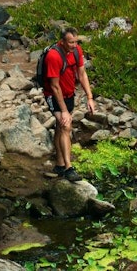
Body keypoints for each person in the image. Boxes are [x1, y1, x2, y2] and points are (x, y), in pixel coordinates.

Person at [45, 26, 95, 182]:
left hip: (68, 93)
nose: (74, 45)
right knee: (66, 125)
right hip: (53, 95)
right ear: (62, 41)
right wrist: (64, 111)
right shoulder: (53, 56)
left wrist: (89, 97)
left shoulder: (76, 51)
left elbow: (82, 73)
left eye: (76, 42)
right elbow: (54, 86)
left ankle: (59, 165)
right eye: (70, 42)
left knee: (60, 127)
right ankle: (68, 168)